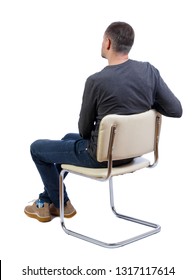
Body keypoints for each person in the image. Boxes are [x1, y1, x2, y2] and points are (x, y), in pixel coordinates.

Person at [24, 21, 182, 222]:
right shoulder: (149, 71)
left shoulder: (96, 81)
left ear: (108, 43)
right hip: (132, 153)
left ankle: (62, 204)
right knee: (66, 139)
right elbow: (175, 110)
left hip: (100, 158)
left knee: (36, 148)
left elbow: (83, 132)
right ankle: (48, 201)